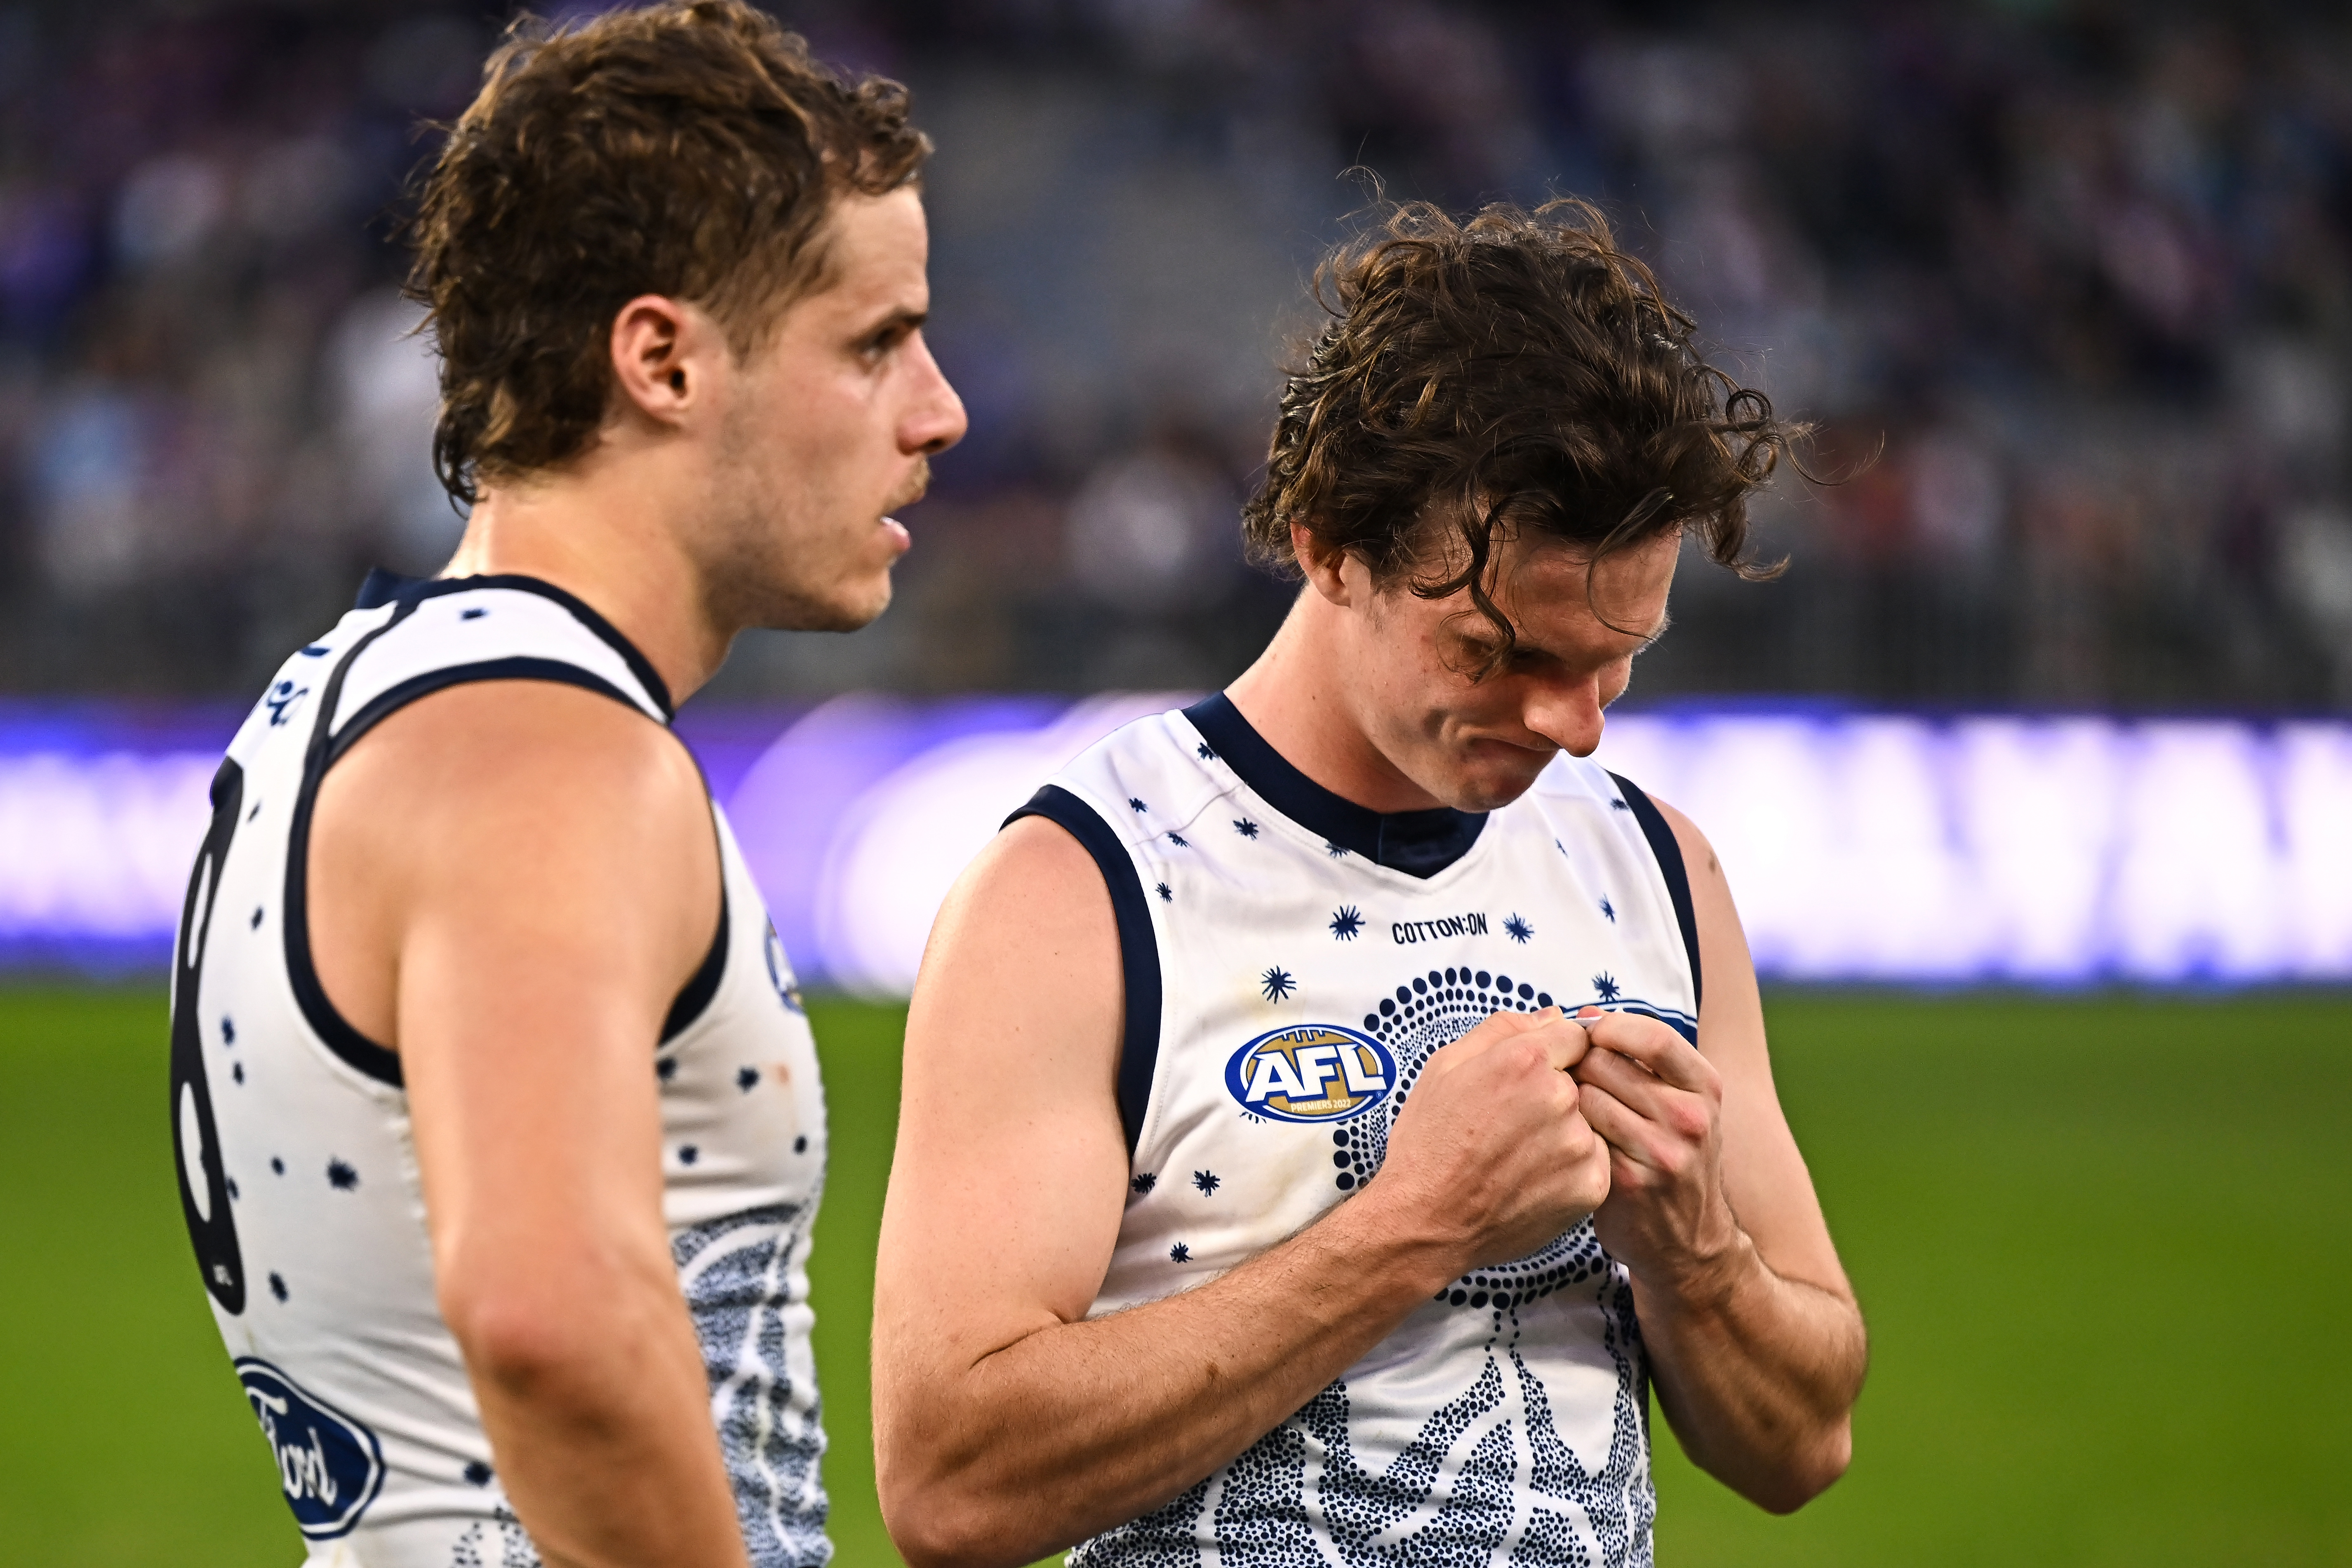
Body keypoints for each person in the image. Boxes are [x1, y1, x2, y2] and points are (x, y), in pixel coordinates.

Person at [873, 200, 1865, 1568]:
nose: (1576, 725)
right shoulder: (1082, 889)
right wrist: (1420, 1222)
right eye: (1501, 653)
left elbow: (1805, 1442)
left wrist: (1696, 1256)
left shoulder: (1655, 866)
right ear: (1330, 541)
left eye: (1615, 660)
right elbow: (949, 1484)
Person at [164, 5, 964, 1564]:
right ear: (662, 359)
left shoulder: (347, 690)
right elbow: (549, 1318)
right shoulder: (552, 752)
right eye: (875, 343)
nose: (939, 408)